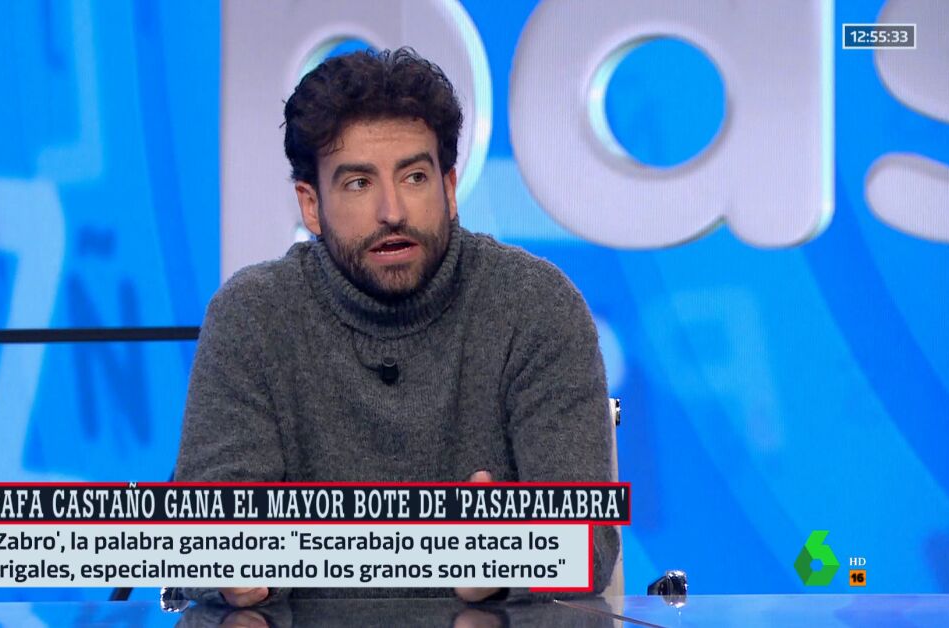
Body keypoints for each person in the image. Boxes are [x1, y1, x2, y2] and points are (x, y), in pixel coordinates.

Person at [175, 47, 618, 607]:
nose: (392, 211)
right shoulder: (252, 317)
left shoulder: (535, 306)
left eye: (414, 177)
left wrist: (502, 558)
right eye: (359, 183)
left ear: (449, 188)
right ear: (310, 205)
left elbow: (587, 545)